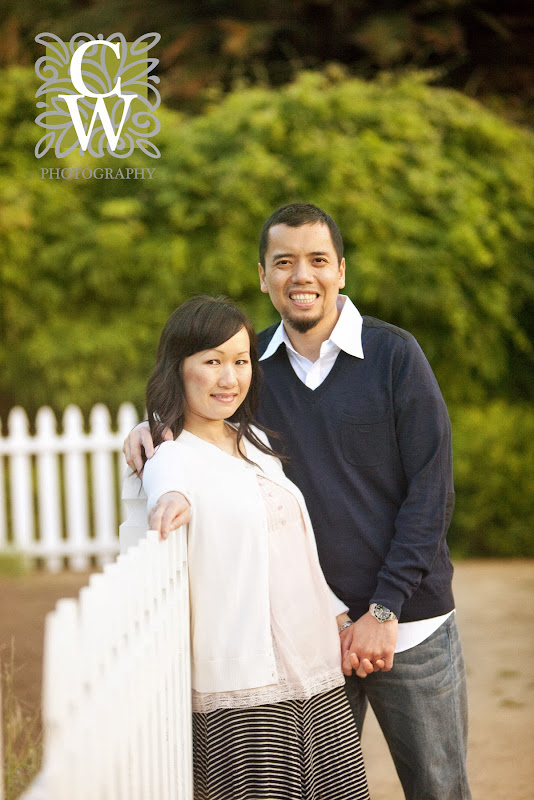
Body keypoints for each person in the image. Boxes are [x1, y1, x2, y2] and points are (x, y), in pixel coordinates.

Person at [125, 204, 471, 800]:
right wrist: (149, 427)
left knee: (440, 791)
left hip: (408, 627)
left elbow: (431, 491)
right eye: (284, 262)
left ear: (341, 270)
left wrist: (384, 610)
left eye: (317, 260)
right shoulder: (249, 367)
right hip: (315, 642)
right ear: (263, 277)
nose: (301, 275)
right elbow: (202, 419)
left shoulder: (394, 356)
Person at [140, 295, 371, 800]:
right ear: (178, 368)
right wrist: (170, 495)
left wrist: (340, 622)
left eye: (240, 361)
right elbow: (167, 477)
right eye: (212, 362)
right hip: (245, 688)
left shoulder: (255, 445)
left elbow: (297, 557)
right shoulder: (172, 454)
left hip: (314, 674)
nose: (230, 378)